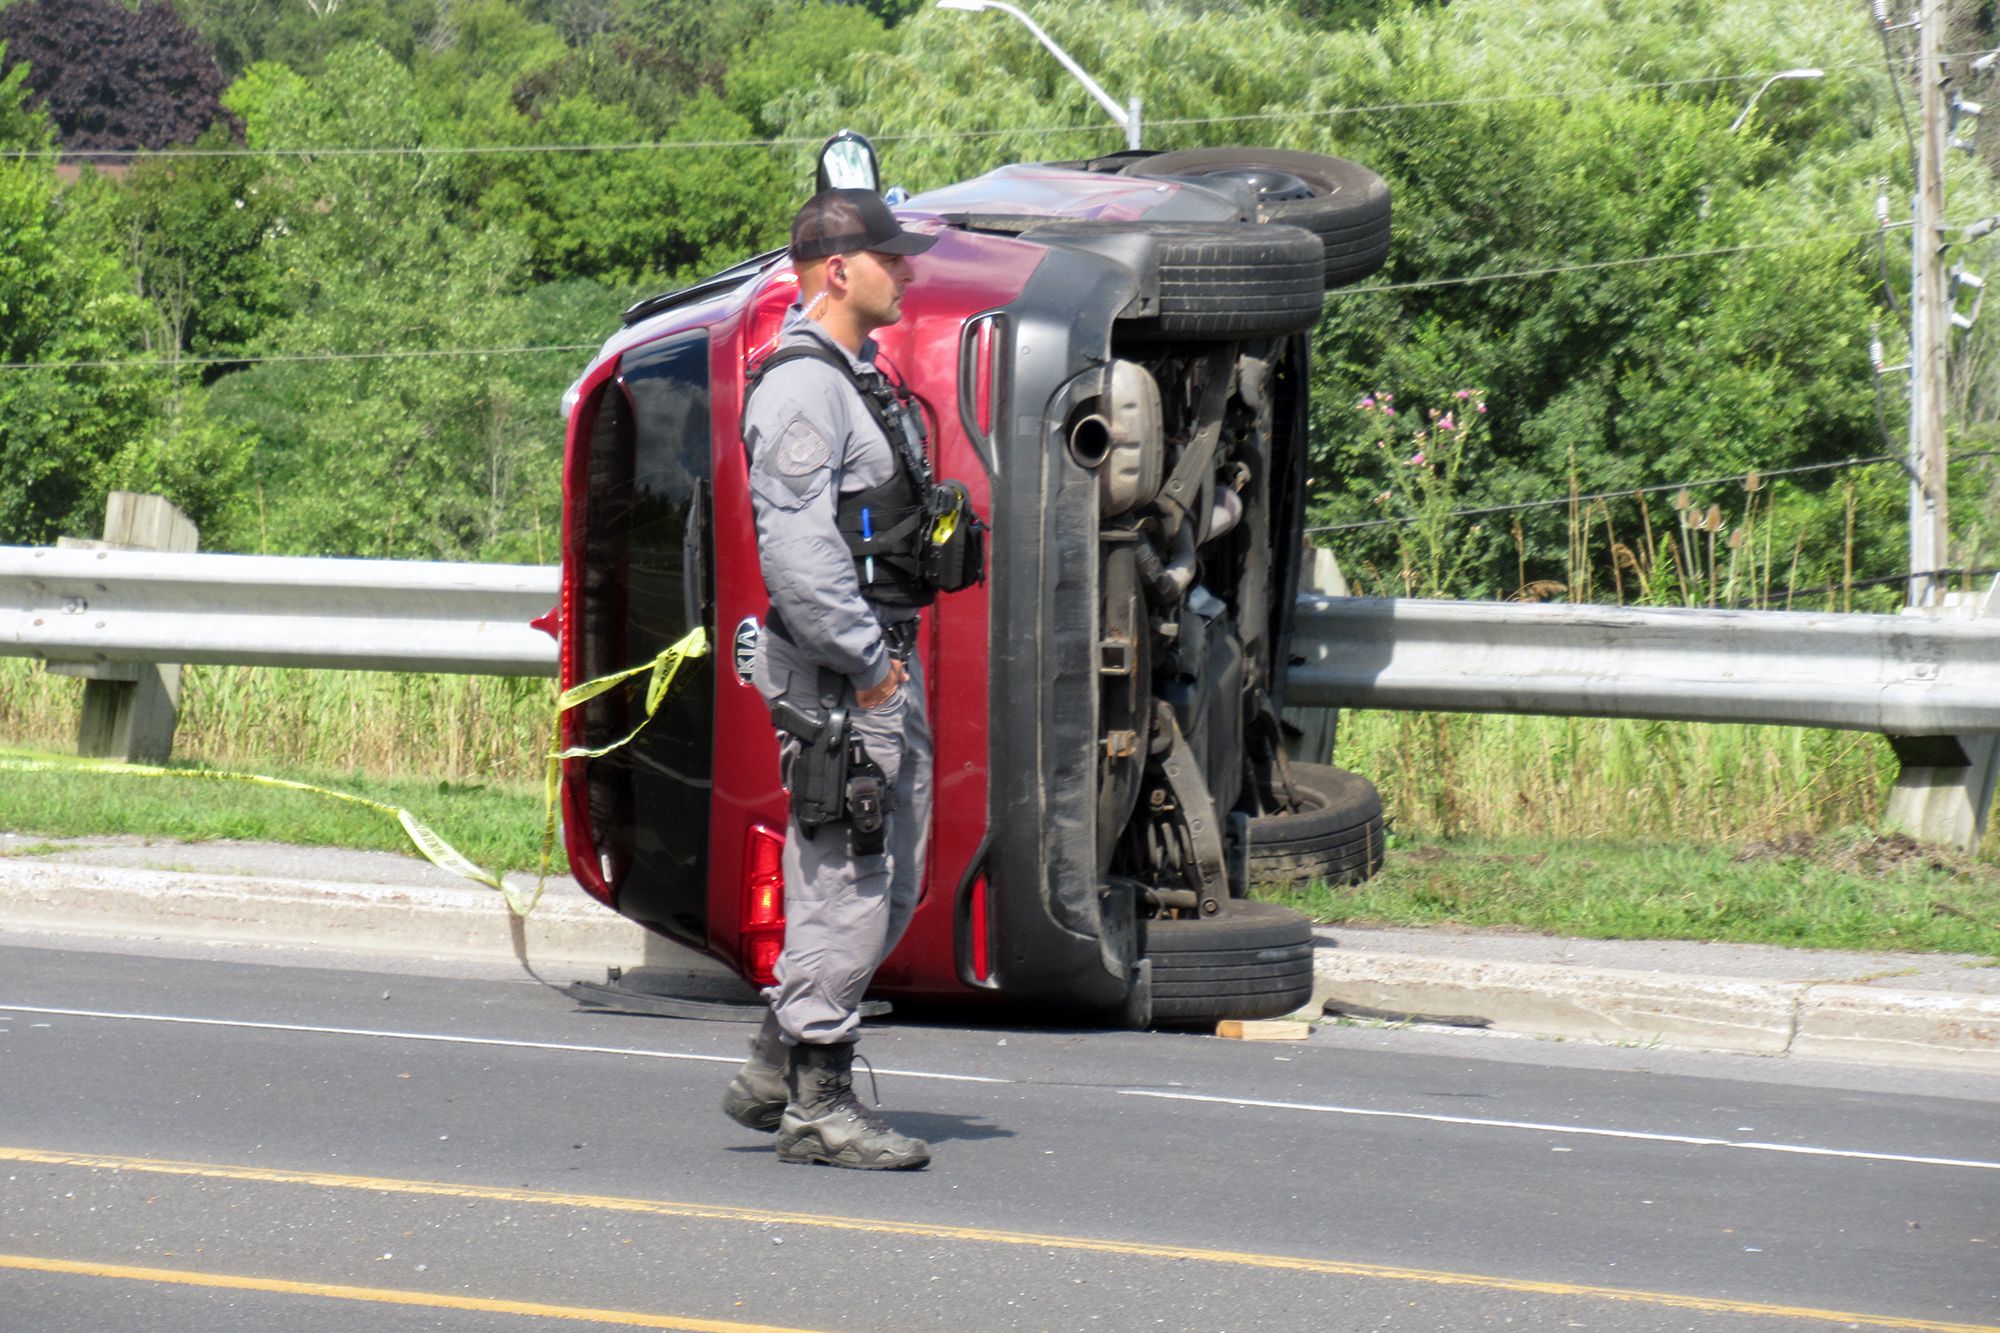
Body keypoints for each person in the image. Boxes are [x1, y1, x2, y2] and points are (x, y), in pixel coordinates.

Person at [723, 188, 941, 1171]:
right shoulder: (803, 388)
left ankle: (777, 1064)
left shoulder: (852, 379)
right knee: (849, 882)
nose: (907, 272)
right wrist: (868, 666)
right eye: (892, 258)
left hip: (869, 663)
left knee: (881, 878)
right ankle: (819, 1104)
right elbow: (801, 561)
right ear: (840, 271)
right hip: (845, 674)